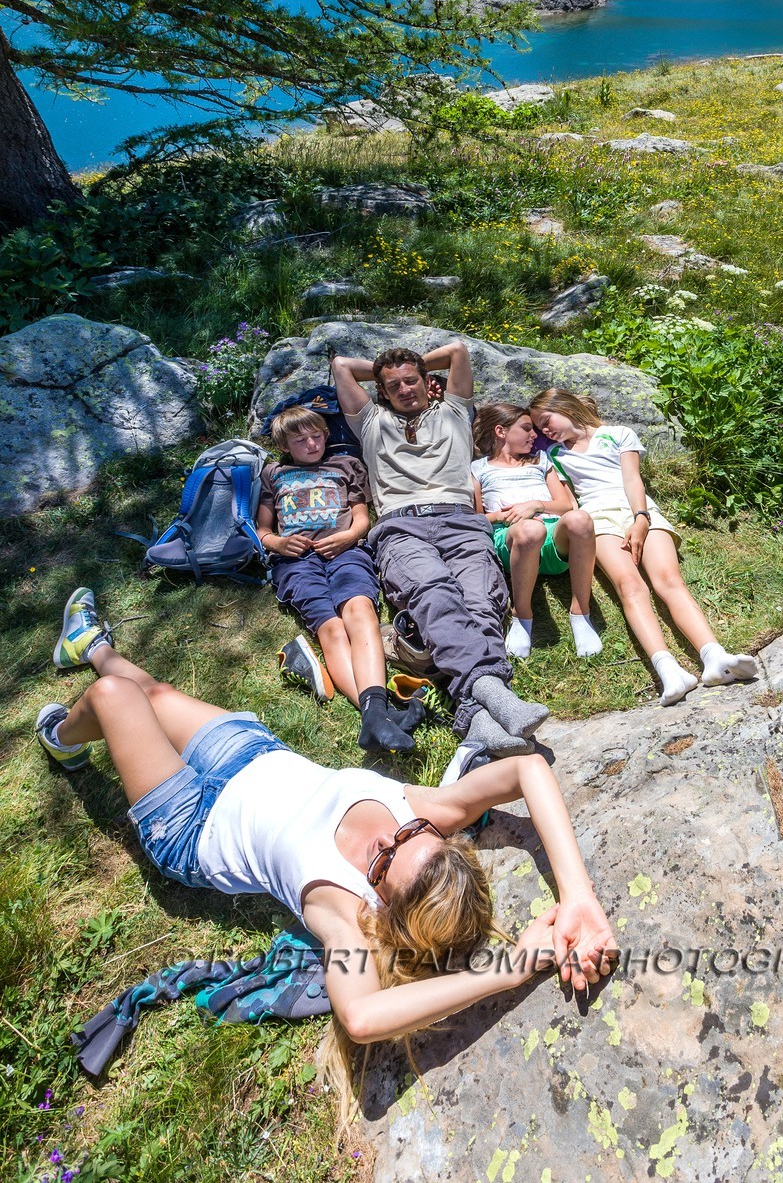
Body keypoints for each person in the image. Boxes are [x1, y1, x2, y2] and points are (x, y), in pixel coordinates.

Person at [36, 590, 616, 1133]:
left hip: (192, 823)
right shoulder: (424, 813)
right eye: (406, 835)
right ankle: (92, 647)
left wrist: (510, 970)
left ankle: (60, 737)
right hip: (251, 757)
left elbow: (361, 1019)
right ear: (441, 838)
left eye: (382, 865)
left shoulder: (344, 912)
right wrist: (578, 895)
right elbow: (528, 770)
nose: (381, 839)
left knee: (116, 699)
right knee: (154, 694)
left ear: (385, 909)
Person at [332, 340, 549, 757]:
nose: (404, 389)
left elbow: (458, 351)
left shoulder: (454, 411)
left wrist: (410, 363)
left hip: (462, 521)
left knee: (481, 601)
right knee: (433, 593)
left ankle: (476, 715)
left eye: (411, 380)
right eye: (393, 385)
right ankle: (492, 691)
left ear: (426, 380)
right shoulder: (372, 420)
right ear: (381, 391)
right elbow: (341, 365)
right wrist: (389, 370)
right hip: (401, 526)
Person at [528, 389, 758, 705]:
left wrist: (641, 518)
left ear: (564, 407)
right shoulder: (553, 453)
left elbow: (633, 479)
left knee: (670, 581)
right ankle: (668, 670)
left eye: (546, 420)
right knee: (630, 587)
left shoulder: (618, 434)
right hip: (598, 518)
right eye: (539, 427)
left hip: (638, 509)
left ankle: (714, 656)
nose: (544, 430)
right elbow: (567, 500)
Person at [255, 405, 416, 755]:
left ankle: (375, 714)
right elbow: (263, 530)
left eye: (317, 436)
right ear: (284, 445)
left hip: (347, 552)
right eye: (300, 440)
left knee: (360, 610)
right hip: (296, 561)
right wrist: (279, 543)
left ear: (327, 435)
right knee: (332, 628)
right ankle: (377, 715)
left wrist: (348, 537)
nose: (312, 444)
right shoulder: (274, 473)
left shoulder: (346, 465)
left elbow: (362, 518)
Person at [471, 404, 601, 660]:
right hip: (512, 539)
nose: (535, 435)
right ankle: (522, 615)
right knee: (530, 529)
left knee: (581, 519)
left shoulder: (540, 460)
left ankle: (581, 613)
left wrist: (535, 505)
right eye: (527, 429)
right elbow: (475, 518)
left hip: (552, 535)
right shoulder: (479, 469)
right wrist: (500, 516)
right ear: (501, 431)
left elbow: (565, 505)